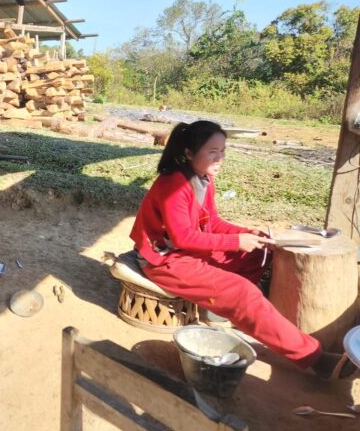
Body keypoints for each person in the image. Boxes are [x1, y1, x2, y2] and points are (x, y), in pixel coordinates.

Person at [130, 120, 356, 379]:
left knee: (260, 254)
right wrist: (236, 242)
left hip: (187, 252)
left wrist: (248, 234)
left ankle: (229, 310)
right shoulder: (174, 184)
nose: (220, 158)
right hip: (164, 259)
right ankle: (315, 358)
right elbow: (182, 238)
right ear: (189, 153)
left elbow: (212, 222)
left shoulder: (203, 179)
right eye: (212, 151)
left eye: (222, 151)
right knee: (243, 293)